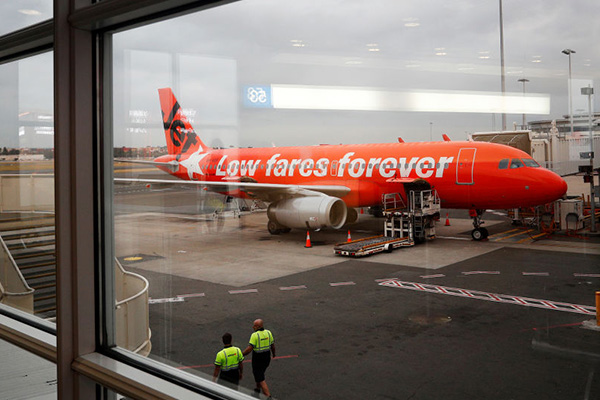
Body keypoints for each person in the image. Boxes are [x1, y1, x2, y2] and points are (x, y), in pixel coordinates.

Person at [243, 319, 276, 397]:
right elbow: (272, 346)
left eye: (254, 325)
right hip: (267, 358)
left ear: (258, 326)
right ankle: (257, 389)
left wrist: (241, 354)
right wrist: (274, 354)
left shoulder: (255, 335)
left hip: (258, 359)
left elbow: (249, 349)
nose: (253, 327)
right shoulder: (268, 332)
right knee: (260, 373)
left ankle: (268, 396)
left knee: (260, 377)